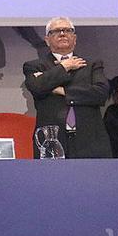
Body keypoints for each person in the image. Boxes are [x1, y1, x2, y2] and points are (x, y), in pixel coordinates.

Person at [23, 16, 111, 158]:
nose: (62, 33)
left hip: (89, 140)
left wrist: (62, 91)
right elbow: (37, 87)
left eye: (67, 30)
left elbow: (100, 93)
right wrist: (65, 66)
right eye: (56, 31)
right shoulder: (34, 66)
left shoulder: (91, 64)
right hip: (52, 140)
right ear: (47, 40)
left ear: (74, 38)